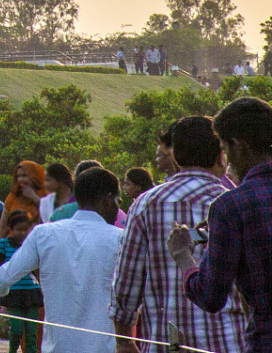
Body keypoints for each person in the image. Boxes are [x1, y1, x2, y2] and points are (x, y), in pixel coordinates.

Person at [114, 113, 249, 353]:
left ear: (176, 157)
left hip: (166, 344)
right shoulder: (237, 203)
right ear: (221, 156)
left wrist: (124, 341)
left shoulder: (145, 205)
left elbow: (126, 283)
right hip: (229, 343)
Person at [0, 166, 125, 353]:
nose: (117, 208)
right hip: (103, 347)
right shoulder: (120, 238)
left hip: (57, 347)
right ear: (106, 199)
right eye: (117, 200)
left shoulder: (44, 234)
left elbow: (6, 274)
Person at [170, 96, 272, 353]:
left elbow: (210, 296)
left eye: (225, 149)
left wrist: (183, 255)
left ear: (238, 146)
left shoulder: (231, 207)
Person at [0, 213, 44, 353]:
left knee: (32, 331)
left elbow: (38, 268)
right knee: (16, 329)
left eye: (25, 230)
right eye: (18, 229)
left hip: (31, 291)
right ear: (11, 228)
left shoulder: (31, 245)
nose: (22, 233)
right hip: (13, 292)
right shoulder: (3, 244)